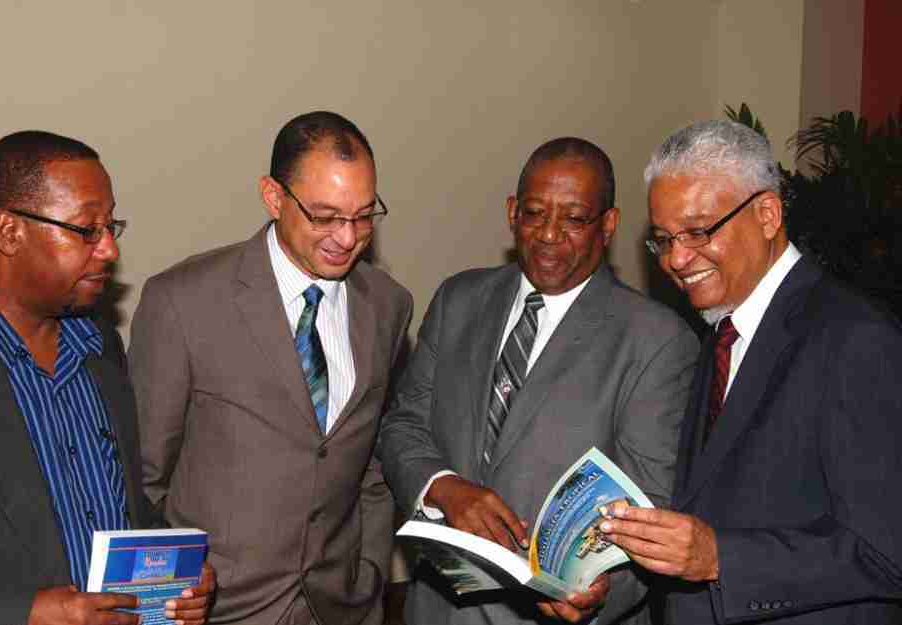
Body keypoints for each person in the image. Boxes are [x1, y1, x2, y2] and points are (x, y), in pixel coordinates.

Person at [0, 130, 214, 625]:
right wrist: (25, 613)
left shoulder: (101, 348)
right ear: (9, 232)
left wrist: (175, 577)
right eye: (86, 230)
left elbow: (122, 509)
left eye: (111, 227)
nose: (110, 252)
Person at [379, 137, 699, 624]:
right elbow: (403, 427)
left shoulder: (655, 340)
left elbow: (650, 512)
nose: (549, 234)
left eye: (573, 219)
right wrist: (445, 488)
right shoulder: (457, 300)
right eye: (534, 213)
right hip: (435, 611)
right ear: (512, 213)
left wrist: (597, 594)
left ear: (608, 226)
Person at [600, 119, 902, 624]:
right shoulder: (721, 332)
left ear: (767, 213)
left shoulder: (855, 338)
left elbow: (886, 551)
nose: (676, 259)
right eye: (662, 239)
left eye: (698, 232)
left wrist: (721, 557)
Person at [128, 111, 413, 625]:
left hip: (341, 609)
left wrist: (368, 571)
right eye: (324, 217)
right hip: (218, 610)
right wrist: (171, 599)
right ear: (273, 196)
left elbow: (369, 462)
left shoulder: (388, 306)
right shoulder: (183, 302)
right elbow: (145, 479)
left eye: (364, 216)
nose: (347, 238)